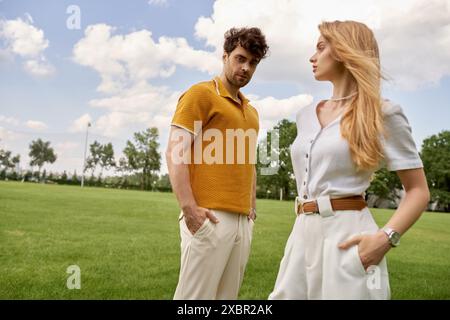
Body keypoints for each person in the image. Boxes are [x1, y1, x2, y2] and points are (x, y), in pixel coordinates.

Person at [269, 20, 430, 300]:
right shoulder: (305, 115)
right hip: (301, 233)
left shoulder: (383, 113)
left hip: (349, 238)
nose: (312, 56)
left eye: (321, 48)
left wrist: (384, 239)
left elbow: (418, 191)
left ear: (344, 51)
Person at [166, 27, 269, 300]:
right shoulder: (199, 94)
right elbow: (175, 153)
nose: (246, 68)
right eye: (240, 58)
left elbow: (249, 162)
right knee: (194, 301)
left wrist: (252, 207)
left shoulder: (252, 111)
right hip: (209, 217)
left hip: (242, 222)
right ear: (225, 56)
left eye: (253, 63)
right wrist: (189, 209)